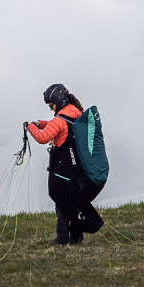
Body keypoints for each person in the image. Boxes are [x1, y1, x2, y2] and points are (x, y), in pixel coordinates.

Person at [26, 83, 105, 246]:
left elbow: (43, 138)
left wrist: (30, 127)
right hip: (77, 170)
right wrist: (40, 123)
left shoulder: (60, 120)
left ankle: (61, 239)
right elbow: (57, 126)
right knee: (74, 203)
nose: (51, 108)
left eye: (51, 105)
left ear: (58, 101)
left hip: (64, 171)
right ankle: (76, 238)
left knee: (61, 202)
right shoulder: (76, 112)